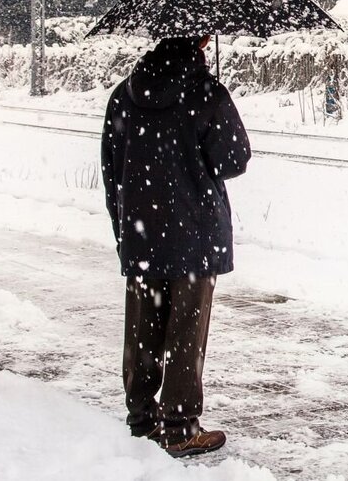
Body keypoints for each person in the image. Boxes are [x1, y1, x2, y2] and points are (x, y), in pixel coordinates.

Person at [101, 35, 251, 458]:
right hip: (194, 235)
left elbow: (111, 167)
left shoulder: (124, 95)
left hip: (142, 232)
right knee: (185, 332)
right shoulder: (205, 93)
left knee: (143, 328)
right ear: (201, 44)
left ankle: (142, 418)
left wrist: (127, 227)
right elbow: (234, 160)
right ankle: (180, 426)